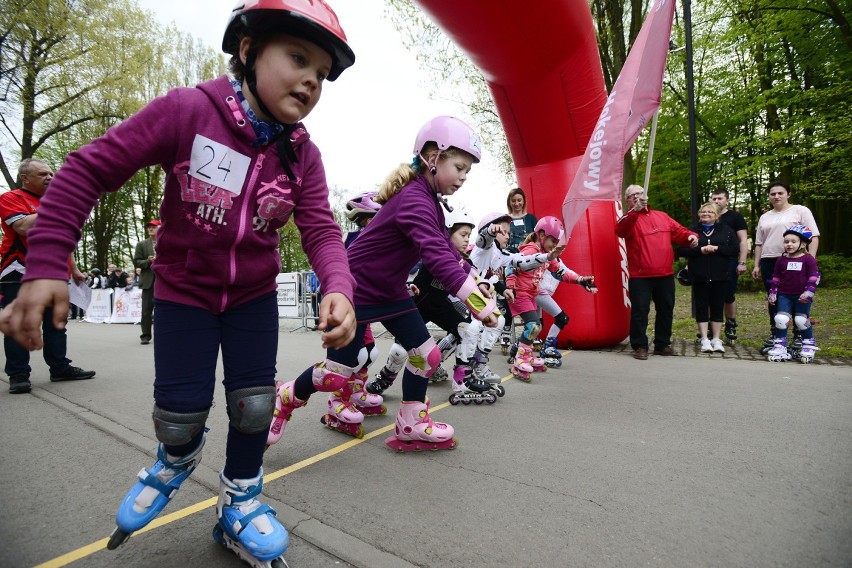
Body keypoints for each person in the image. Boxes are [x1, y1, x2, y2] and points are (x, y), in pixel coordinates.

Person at [0, 2, 358, 565]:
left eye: (321, 72)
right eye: (297, 57)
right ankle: (177, 457)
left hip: (253, 298)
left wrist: (338, 283)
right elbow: (87, 168)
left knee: (255, 406)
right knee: (179, 413)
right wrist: (47, 261)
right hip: (183, 293)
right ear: (247, 51)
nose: (312, 79)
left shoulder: (301, 155)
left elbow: (320, 226)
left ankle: (242, 497)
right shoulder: (189, 111)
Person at [266, 115, 499, 452]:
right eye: (460, 167)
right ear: (433, 158)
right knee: (336, 374)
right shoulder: (415, 199)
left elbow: (448, 249)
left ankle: (412, 422)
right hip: (356, 292)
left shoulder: (430, 202)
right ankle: (286, 396)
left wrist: (477, 281)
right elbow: (437, 257)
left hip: (390, 293)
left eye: (468, 171)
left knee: (426, 356)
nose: (464, 177)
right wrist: (481, 307)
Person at [0, 158, 96, 394]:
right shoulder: (11, 198)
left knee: (57, 324)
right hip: (20, 270)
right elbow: (23, 226)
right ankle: (18, 374)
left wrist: (73, 269)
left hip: (55, 272)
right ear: (26, 178)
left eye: (51, 173)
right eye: (43, 174)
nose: (50, 178)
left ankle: (59, 368)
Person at [506, 216, 596, 380]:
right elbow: (512, 265)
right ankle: (520, 360)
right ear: (541, 235)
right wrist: (510, 287)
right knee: (533, 326)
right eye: (552, 240)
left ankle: (528, 355)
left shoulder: (547, 255)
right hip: (519, 294)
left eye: (557, 242)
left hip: (531, 295)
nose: (554, 245)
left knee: (536, 326)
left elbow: (561, 272)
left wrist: (580, 280)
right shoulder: (531, 250)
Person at [615, 184, 698, 360]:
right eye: (632, 195)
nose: (637, 196)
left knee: (666, 309)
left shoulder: (662, 217)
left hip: (665, 274)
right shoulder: (629, 219)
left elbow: (679, 232)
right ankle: (639, 346)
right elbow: (619, 230)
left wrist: (691, 237)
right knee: (640, 311)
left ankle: (662, 344)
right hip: (640, 275)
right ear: (628, 201)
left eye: (640, 193)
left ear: (646, 196)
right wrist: (634, 212)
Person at [751, 181, 820, 353]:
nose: (776, 196)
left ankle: (799, 336)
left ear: (788, 194)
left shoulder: (800, 210)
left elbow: (814, 235)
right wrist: (756, 265)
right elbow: (759, 243)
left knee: (797, 296)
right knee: (773, 298)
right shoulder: (765, 216)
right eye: (772, 194)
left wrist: (810, 258)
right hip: (770, 260)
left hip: (795, 261)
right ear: (769, 196)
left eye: (780, 193)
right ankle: (777, 334)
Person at [676, 202, 739, 354]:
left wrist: (718, 248)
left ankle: (716, 339)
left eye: (710, 212)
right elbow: (680, 250)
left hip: (720, 275)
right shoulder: (691, 230)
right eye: (703, 212)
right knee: (702, 307)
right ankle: (704, 339)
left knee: (718, 306)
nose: (706, 214)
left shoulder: (727, 231)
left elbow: (734, 249)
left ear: (717, 215)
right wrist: (700, 250)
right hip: (699, 276)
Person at [765, 225, 820, 363]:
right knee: (780, 319)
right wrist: (773, 292)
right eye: (786, 241)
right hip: (785, 295)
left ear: (803, 243)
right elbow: (776, 277)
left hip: (802, 296)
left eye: (793, 241)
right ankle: (780, 345)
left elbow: (814, 276)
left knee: (801, 321)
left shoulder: (808, 259)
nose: (789, 244)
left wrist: (809, 291)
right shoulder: (781, 259)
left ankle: (808, 345)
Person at [710, 189, 748, 344]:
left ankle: (731, 325)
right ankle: (709, 328)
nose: (716, 201)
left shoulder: (735, 217)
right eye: (714, 198)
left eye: (720, 198)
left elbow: (743, 241)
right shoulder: (708, 215)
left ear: (727, 200)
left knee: (728, 294)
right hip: (709, 261)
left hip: (729, 260)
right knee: (709, 295)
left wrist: (742, 261)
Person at [502, 187, 538, 348]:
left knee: (529, 296)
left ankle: (529, 331)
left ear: (523, 201)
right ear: (509, 202)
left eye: (519, 200)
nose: (516, 203)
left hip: (528, 264)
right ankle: (506, 331)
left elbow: (537, 240)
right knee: (510, 295)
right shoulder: (505, 219)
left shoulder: (531, 219)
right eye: (513, 200)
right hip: (510, 263)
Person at [134, 220, 159, 345]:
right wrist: (148, 261)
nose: (151, 229)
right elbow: (137, 262)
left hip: (164, 280)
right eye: (149, 227)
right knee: (146, 311)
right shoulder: (141, 244)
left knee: (163, 311)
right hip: (148, 281)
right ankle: (145, 336)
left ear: (160, 228)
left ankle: (162, 335)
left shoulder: (166, 242)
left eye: (154, 227)